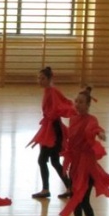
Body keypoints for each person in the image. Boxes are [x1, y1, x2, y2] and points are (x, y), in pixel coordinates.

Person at [59, 87, 109, 216]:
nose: (78, 104)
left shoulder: (91, 119)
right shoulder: (73, 119)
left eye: (81, 102)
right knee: (75, 196)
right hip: (76, 163)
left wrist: (100, 134)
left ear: (88, 105)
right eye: (76, 102)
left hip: (87, 165)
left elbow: (95, 129)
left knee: (84, 200)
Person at [28, 66, 76, 199]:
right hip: (50, 128)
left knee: (43, 160)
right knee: (52, 161)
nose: (40, 81)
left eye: (42, 78)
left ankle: (47, 189)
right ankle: (68, 187)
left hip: (53, 130)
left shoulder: (53, 91)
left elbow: (61, 106)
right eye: (39, 78)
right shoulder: (48, 91)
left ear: (50, 79)